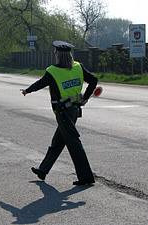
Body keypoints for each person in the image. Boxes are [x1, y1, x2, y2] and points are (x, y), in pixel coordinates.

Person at [21, 41, 97, 185]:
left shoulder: (53, 71)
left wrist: (27, 90)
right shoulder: (78, 67)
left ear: (58, 54)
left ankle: (86, 177)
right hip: (74, 110)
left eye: (55, 52)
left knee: (74, 143)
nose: (54, 54)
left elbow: (40, 83)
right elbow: (93, 80)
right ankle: (43, 170)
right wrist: (85, 98)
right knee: (57, 142)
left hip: (62, 112)